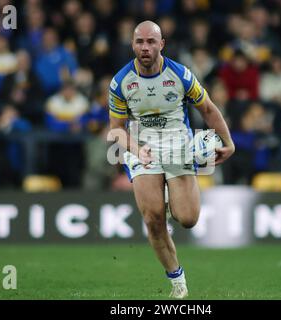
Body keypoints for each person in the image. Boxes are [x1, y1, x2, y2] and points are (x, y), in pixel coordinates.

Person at [108, 21, 235, 299]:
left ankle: (168, 204)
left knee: (188, 218)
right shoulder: (120, 82)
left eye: (151, 41)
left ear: (161, 44)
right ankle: (177, 282)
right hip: (142, 147)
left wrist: (228, 142)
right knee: (152, 218)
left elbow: (209, 109)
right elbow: (116, 129)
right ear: (132, 45)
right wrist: (136, 148)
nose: (145, 47)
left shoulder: (181, 75)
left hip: (178, 145)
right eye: (140, 41)